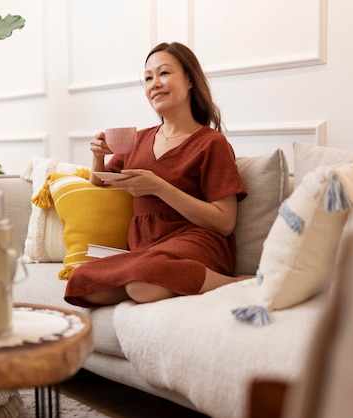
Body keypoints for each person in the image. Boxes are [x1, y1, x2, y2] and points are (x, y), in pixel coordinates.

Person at [64, 42, 248, 308]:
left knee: (144, 279)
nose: (154, 84)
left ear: (189, 81)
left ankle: (236, 284)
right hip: (145, 249)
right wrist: (98, 155)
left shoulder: (211, 143)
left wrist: (159, 187)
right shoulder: (137, 140)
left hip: (195, 242)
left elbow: (224, 222)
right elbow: (98, 182)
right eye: (148, 78)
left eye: (164, 73)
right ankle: (157, 279)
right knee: (81, 282)